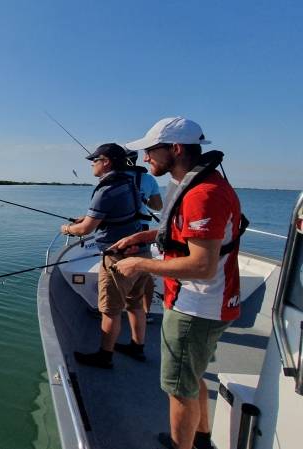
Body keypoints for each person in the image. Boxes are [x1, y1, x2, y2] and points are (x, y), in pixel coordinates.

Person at [111, 117, 244, 449]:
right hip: (204, 303)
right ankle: (200, 438)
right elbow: (182, 233)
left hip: (196, 307)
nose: (145, 159)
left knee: (178, 387)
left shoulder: (205, 194)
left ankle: (179, 444)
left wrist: (140, 264)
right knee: (193, 375)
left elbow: (202, 265)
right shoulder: (195, 185)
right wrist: (142, 236)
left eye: (150, 152)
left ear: (175, 148)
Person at [60, 143, 153, 368]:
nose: (92, 163)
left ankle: (104, 356)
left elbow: (85, 230)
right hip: (141, 252)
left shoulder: (106, 190)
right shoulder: (129, 182)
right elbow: (120, 213)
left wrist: (67, 229)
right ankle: (137, 347)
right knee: (135, 304)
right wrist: (88, 217)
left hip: (118, 258)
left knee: (110, 310)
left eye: (95, 160)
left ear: (107, 162)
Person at [125, 149, 163, 323]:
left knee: (116, 268)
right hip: (142, 228)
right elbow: (158, 206)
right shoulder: (148, 179)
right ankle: (146, 313)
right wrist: (144, 199)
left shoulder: (112, 177)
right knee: (144, 273)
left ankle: (114, 310)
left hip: (119, 229)